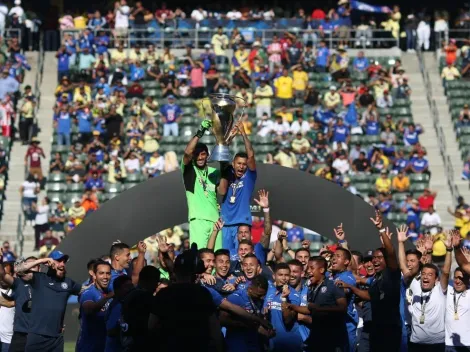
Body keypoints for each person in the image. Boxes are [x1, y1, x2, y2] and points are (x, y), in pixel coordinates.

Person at [0, 250, 90, 352]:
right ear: (49, 263)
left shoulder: (68, 283)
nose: (62, 264)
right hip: (33, 336)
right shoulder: (38, 279)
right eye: (59, 261)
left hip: (56, 338)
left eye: (64, 261)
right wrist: (43, 260)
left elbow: (87, 290)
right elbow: (18, 269)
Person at [288, 256, 348, 352]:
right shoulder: (311, 288)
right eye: (308, 268)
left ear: (321, 270)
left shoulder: (333, 285)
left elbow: (343, 308)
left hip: (333, 338)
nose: (308, 271)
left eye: (312, 268)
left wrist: (320, 308)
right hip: (316, 336)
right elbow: (309, 309)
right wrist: (292, 306)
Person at [181, 119, 224, 250]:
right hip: (198, 220)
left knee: (216, 259)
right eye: (197, 155)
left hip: (215, 221)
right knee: (200, 259)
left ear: (208, 155)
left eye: (203, 154)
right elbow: (187, 153)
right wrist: (201, 132)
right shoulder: (189, 170)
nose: (200, 157)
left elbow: (222, 191)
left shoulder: (214, 172)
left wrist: (224, 165)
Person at [408, 232, 452, 351]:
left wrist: (449, 250)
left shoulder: (440, 288)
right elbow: (419, 267)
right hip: (415, 342)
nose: (425, 277)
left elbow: (446, 272)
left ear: (436, 279)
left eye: (430, 275)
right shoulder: (415, 284)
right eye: (424, 275)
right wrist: (424, 253)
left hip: (436, 344)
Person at [219, 121, 257, 252]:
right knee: (225, 257)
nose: (241, 166)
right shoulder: (227, 173)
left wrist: (244, 134)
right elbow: (222, 191)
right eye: (238, 163)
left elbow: (251, 155)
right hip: (225, 224)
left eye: (244, 164)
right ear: (233, 163)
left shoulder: (249, 177)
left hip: (242, 224)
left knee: (242, 257)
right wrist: (229, 139)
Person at [2, 257, 40, 352]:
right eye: (27, 265)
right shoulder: (19, 284)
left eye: (34, 265)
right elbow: (8, 302)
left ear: (40, 268)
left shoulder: (47, 285)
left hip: (39, 334)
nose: (30, 267)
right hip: (20, 334)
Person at [263, 263, 303, 351]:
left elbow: (288, 320)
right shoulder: (268, 291)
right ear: (274, 276)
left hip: (289, 343)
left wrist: (284, 298)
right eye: (280, 275)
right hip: (272, 342)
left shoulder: (294, 295)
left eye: (286, 275)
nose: (284, 278)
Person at [76, 260, 113, 352]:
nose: (105, 277)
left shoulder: (110, 292)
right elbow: (89, 310)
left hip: (105, 345)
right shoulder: (89, 293)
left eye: (108, 273)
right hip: (90, 347)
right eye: (101, 273)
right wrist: (108, 297)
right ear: (94, 275)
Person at [121, 266, 161, 351]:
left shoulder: (130, 294)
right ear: (149, 281)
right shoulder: (145, 297)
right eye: (156, 282)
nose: (156, 285)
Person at [104, 275, 134, 352]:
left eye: (131, 286)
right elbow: (110, 331)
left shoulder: (125, 303)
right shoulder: (118, 306)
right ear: (117, 290)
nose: (131, 289)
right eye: (127, 286)